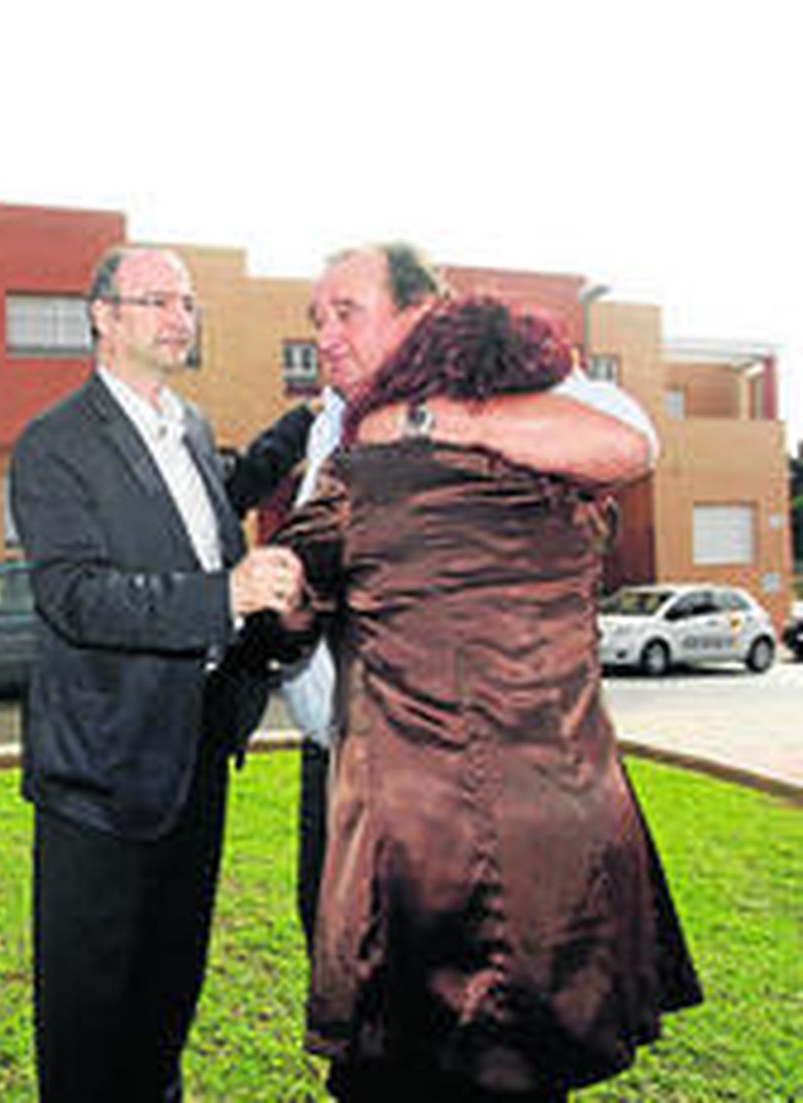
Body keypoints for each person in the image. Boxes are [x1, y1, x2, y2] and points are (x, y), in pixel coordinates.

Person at [268, 294, 702, 1100]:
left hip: (421, 848)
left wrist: (279, 601)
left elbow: (285, 604)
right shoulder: (577, 508)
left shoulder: (362, 482)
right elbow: (621, 441)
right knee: (534, 1064)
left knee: (399, 1069)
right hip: (564, 842)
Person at [228, 244, 661, 954]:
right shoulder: (329, 418)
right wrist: (292, 604)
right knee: (349, 975)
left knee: (488, 1000)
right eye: (316, 317)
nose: (324, 336)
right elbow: (314, 586)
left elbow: (631, 441)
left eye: (346, 312)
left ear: (419, 313)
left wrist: (431, 422)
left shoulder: (515, 382)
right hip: (339, 765)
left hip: (476, 779)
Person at [8, 245, 306, 1102]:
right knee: (88, 1016)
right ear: (102, 315)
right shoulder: (54, 444)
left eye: (188, 301)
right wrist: (226, 593)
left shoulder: (193, 427)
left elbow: (207, 522)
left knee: (167, 995)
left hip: (195, 754)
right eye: (157, 300)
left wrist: (303, 428)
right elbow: (75, 596)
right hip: (100, 773)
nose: (181, 317)